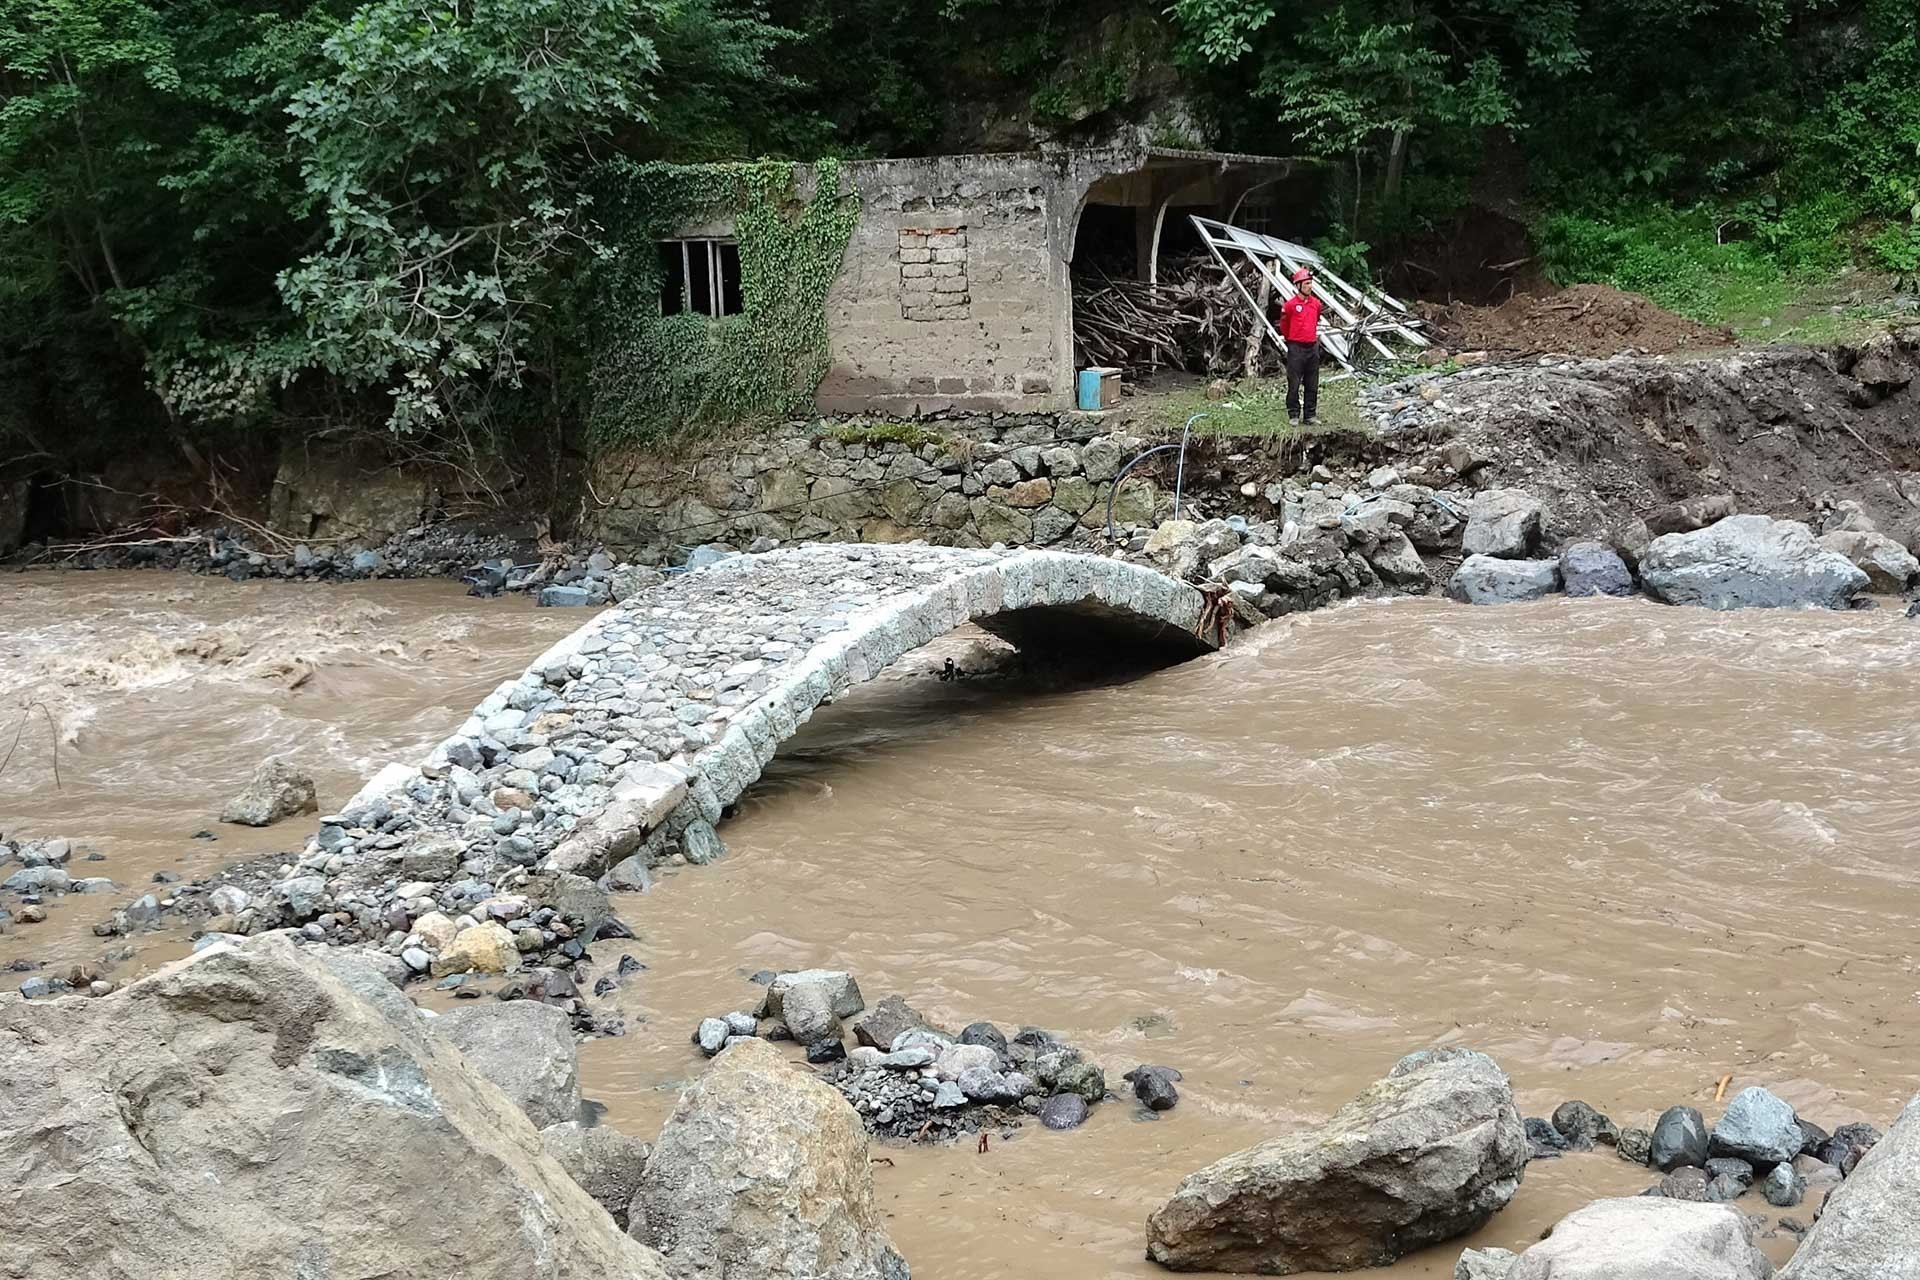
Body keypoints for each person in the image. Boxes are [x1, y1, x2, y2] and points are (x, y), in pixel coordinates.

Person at [1275, 266, 1323, 422]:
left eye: (1310, 283)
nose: (1310, 286)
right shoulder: (1290, 306)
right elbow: (1284, 325)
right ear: (1298, 286)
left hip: (1312, 347)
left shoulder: (1316, 304)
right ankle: (1293, 414)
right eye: (1306, 284)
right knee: (1294, 383)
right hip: (1296, 348)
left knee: (1312, 383)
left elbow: (1315, 320)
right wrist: (1292, 339)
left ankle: (1310, 414)